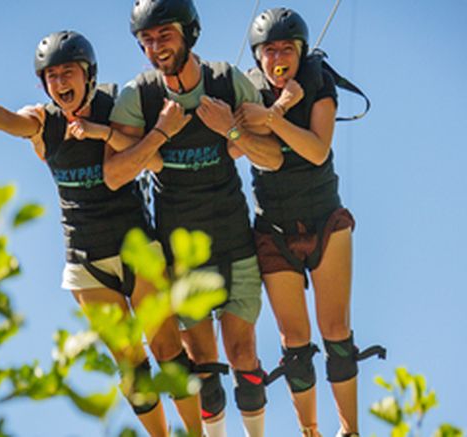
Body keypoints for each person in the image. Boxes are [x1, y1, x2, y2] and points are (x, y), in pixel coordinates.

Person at [0, 30, 202, 437]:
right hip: (86, 260)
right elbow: (12, 121)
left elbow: (151, 158)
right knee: (130, 363)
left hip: (137, 246)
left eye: (69, 72)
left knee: (168, 351)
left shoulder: (116, 105)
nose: (61, 83)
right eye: (52, 76)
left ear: (89, 74)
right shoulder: (44, 122)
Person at [105, 1, 283, 435]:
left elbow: (272, 157)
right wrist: (159, 135)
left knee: (243, 355)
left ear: (190, 33)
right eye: (146, 39)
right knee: (203, 366)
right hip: (180, 252)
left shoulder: (226, 80)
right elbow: (114, 174)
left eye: (164, 35)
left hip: (233, 240)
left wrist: (231, 130)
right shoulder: (140, 96)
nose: (155, 46)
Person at [236, 8, 384, 437]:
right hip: (274, 227)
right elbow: (256, 147)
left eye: (287, 49)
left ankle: (349, 430)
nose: (278, 58)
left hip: (324, 218)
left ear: (301, 52)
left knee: (336, 332)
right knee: (294, 343)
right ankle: (310, 431)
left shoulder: (318, 80)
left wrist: (276, 117)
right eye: (270, 50)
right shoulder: (247, 90)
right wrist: (272, 110)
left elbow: (317, 150)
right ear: (258, 55)